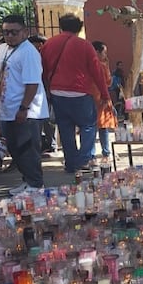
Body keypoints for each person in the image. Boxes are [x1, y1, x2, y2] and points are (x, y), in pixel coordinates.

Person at [40, 13, 112, 173]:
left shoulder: (49, 44)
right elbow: (97, 72)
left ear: (61, 26)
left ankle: (71, 163)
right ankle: (83, 159)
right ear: (79, 28)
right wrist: (105, 94)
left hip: (57, 92)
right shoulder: (84, 45)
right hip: (80, 92)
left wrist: (48, 90)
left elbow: (43, 69)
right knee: (88, 125)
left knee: (66, 129)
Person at [0, 14, 48, 194]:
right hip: (8, 110)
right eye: (6, 32)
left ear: (25, 32)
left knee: (28, 150)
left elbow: (32, 83)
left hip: (26, 112)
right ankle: (28, 181)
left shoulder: (28, 52)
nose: (9, 36)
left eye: (14, 32)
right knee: (16, 150)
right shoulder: (7, 49)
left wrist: (24, 108)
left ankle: (36, 185)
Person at [28, 34, 58, 155]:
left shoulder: (42, 56)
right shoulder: (34, 55)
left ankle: (51, 144)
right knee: (44, 119)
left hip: (45, 89)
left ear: (39, 44)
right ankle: (48, 143)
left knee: (48, 119)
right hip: (42, 89)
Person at [91, 40, 117, 160]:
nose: (105, 55)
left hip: (89, 97)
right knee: (103, 127)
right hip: (101, 97)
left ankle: (90, 155)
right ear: (97, 51)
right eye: (104, 52)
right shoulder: (101, 65)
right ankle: (106, 152)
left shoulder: (86, 63)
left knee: (90, 127)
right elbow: (108, 82)